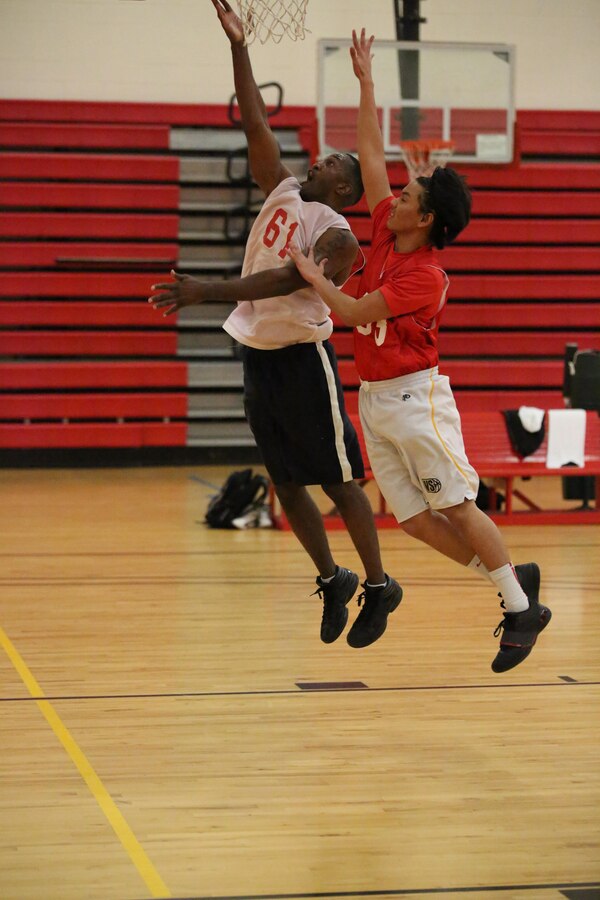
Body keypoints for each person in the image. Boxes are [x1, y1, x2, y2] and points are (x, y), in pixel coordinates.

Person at [287, 28, 552, 673]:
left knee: (457, 505)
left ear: (425, 218)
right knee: (409, 519)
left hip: (416, 398)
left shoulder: (423, 275)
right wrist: (368, 83)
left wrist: (313, 273)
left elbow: (351, 312)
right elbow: (373, 155)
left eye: (408, 195)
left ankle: (519, 607)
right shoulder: (386, 232)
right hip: (375, 399)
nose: (395, 194)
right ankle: (510, 578)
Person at [148, 2, 402, 649]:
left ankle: (378, 584)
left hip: (301, 358)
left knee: (339, 480)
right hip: (258, 354)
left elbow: (289, 282)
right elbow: (254, 117)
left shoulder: (340, 237)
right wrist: (239, 46)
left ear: (346, 189)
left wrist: (207, 290)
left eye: (335, 164)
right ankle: (333, 579)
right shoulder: (283, 190)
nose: (320, 162)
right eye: (320, 159)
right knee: (286, 483)